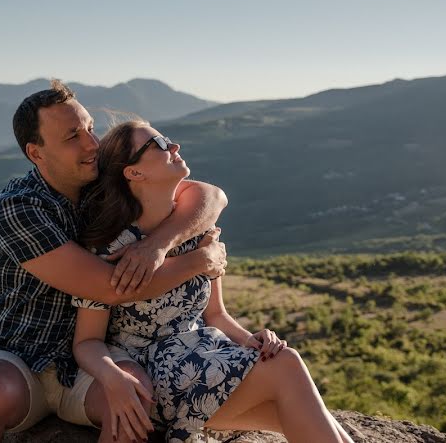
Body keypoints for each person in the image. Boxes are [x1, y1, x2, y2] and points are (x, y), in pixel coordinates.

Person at [0, 81, 229, 443]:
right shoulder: (22, 207)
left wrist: (157, 244)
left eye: (90, 127)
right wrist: (199, 260)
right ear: (37, 153)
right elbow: (109, 288)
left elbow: (210, 195)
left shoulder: (101, 184)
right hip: (19, 358)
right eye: (72, 136)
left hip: (91, 362)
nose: (92, 144)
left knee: (136, 405)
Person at [72, 120, 354, 443]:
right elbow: (87, 342)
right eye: (160, 145)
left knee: (300, 407)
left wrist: (253, 342)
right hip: (155, 373)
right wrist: (114, 378)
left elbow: (216, 315)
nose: (174, 146)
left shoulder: (198, 232)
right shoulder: (113, 246)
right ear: (134, 173)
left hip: (207, 354)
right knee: (288, 367)